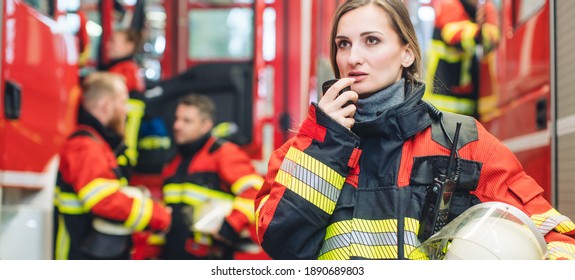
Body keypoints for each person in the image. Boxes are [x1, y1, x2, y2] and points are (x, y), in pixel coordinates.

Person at [254, 0, 575, 260]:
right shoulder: (308, 146)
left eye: (372, 40)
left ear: (407, 52)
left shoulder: (462, 141)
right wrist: (327, 144)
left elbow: (556, 234)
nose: (353, 57)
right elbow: (281, 246)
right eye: (343, 44)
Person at [53, 72, 172, 260]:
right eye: (122, 103)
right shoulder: (85, 146)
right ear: (106, 105)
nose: (125, 111)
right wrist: (158, 215)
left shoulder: (97, 143)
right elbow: (103, 200)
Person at [160, 94, 269, 260]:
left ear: (206, 125)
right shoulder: (173, 160)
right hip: (174, 251)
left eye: (187, 121)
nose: (177, 125)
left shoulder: (223, 154)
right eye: (177, 119)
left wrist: (230, 226)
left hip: (210, 255)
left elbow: (255, 192)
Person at [423, 0, 501, 118]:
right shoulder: (449, 4)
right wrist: (480, 31)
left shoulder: (484, 8)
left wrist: (486, 27)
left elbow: (493, 37)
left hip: (467, 102)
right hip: (442, 103)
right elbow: (456, 36)